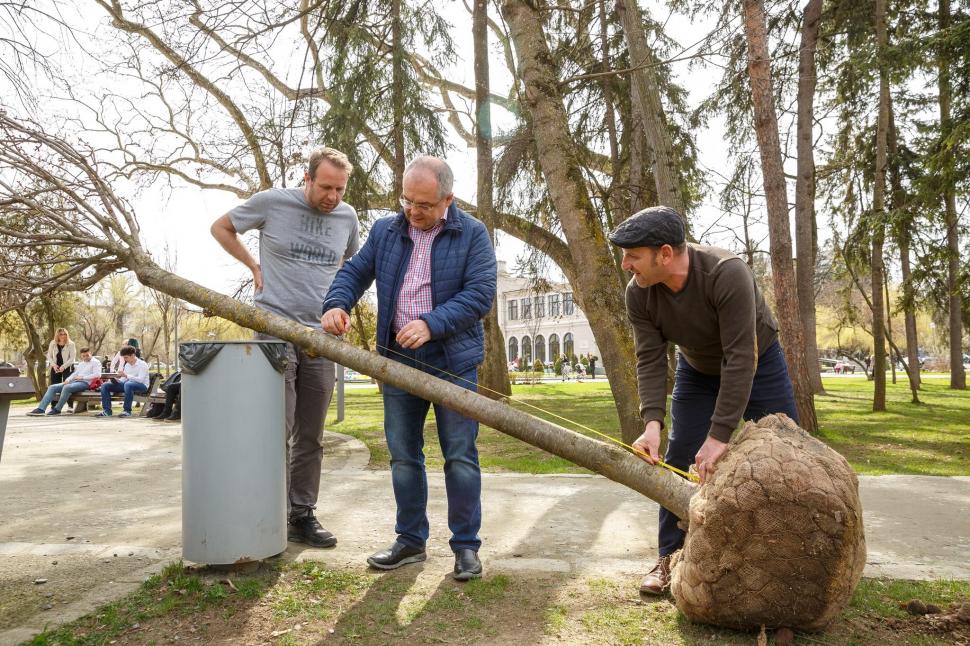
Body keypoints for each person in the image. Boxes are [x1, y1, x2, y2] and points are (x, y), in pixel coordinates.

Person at [608, 205, 799, 596]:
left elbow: (741, 357)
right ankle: (669, 556)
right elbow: (649, 359)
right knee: (679, 455)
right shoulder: (639, 293)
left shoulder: (727, 272)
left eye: (633, 256)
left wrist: (719, 435)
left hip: (758, 361)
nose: (626, 265)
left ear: (665, 254)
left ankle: (795, 561)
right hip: (696, 370)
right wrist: (651, 425)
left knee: (789, 452)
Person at [322, 155, 496, 581]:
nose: (412, 211)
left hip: (453, 363)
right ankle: (411, 540)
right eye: (406, 201)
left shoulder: (472, 233)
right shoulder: (386, 230)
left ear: (447, 200)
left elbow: (480, 294)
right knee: (403, 456)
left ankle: (466, 547)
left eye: (423, 204)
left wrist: (432, 324)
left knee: (460, 456)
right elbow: (354, 273)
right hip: (398, 361)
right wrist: (336, 304)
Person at [211, 145, 360, 549]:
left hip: (322, 338)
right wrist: (253, 265)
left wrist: (340, 305)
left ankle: (301, 514)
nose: (333, 197)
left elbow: (349, 267)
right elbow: (221, 227)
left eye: (340, 189)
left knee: (311, 435)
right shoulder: (272, 202)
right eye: (325, 187)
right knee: (276, 428)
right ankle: (266, 514)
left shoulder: (347, 218)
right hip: (274, 328)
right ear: (307, 178)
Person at [27, 347, 101, 416]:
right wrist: (68, 379)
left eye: (87, 355)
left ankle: (57, 409)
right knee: (52, 387)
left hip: (86, 383)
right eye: (83, 356)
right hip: (75, 382)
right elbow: (75, 373)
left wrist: (82, 377)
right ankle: (41, 409)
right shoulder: (82, 363)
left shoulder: (96, 362)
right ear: (81, 356)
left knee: (67, 387)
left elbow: (97, 374)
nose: (85, 357)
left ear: (90, 353)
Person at [97, 345, 150, 417]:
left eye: (126, 357)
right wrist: (117, 380)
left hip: (142, 386)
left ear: (133, 355)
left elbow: (140, 380)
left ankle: (127, 411)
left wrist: (126, 375)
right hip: (127, 385)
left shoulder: (142, 364)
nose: (125, 359)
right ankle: (107, 411)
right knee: (105, 385)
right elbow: (124, 379)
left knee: (128, 384)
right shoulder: (127, 365)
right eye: (124, 357)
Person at [46, 328, 76, 405]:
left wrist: (64, 366)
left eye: (65, 334)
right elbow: (49, 356)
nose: (63, 336)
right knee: (54, 386)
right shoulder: (52, 343)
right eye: (61, 334)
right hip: (55, 367)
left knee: (68, 386)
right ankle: (54, 405)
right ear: (57, 335)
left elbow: (72, 358)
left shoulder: (71, 344)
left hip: (68, 367)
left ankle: (70, 406)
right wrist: (54, 365)